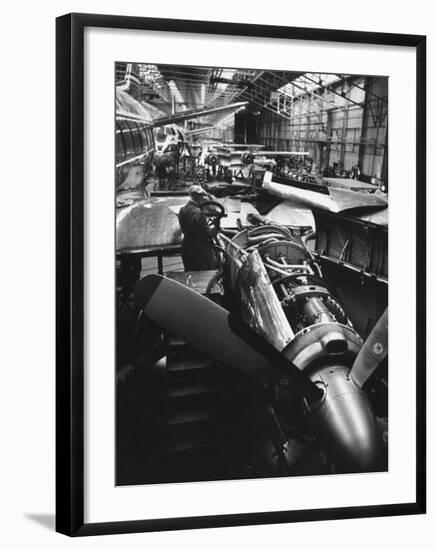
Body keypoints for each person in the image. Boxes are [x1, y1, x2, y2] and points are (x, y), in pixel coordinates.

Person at [178, 185, 219, 271]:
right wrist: (216, 225)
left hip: (187, 249)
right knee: (217, 264)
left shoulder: (182, 210)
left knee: (191, 274)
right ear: (199, 197)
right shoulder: (199, 214)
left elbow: (184, 229)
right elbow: (209, 234)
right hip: (199, 252)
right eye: (202, 196)